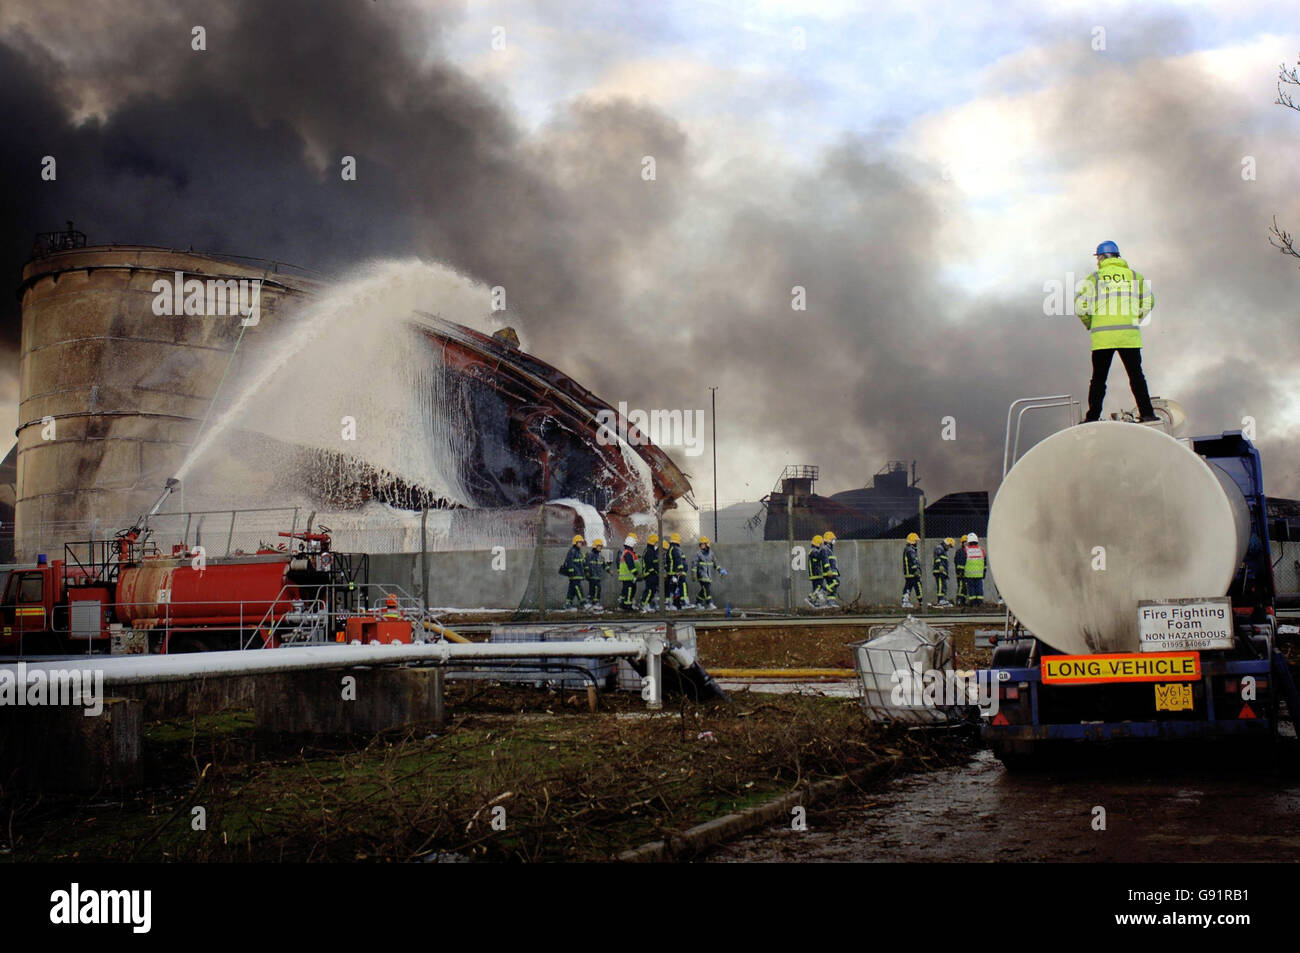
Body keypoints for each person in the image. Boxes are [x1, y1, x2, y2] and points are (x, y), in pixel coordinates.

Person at [1074, 241, 1157, 423]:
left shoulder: (1094, 278)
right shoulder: (1134, 276)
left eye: (1098, 258)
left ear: (1102, 257)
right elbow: (1149, 301)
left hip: (1103, 337)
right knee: (1136, 377)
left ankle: (1092, 417)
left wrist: (1090, 323)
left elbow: (1080, 307)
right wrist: (1135, 317)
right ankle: (1148, 413)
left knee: (1098, 380)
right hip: (1129, 336)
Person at [693, 536, 725, 610]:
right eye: (700, 544)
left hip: (708, 576)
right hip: (701, 575)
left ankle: (698, 602)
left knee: (704, 590)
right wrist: (693, 574)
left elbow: (715, 564)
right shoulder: (698, 554)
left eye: (703, 544)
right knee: (706, 589)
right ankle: (709, 603)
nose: (701, 545)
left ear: (707, 544)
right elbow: (694, 564)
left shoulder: (711, 554)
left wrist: (721, 571)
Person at [559, 534, 586, 609]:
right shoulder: (572, 551)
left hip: (578, 574)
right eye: (579, 542)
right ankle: (583, 602)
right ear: (575, 543)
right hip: (575, 575)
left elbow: (581, 563)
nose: (581, 544)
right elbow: (569, 562)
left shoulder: (579, 552)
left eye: (581, 542)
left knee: (571, 589)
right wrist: (572, 572)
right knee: (578, 588)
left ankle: (568, 603)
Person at [962, 532, 986, 607]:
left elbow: (963, 562)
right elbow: (985, 562)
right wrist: (984, 572)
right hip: (979, 574)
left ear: (968, 542)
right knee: (979, 588)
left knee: (971, 588)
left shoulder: (966, 550)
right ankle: (980, 602)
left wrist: (961, 572)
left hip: (969, 574)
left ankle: (972, 603)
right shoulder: (981, 550)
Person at [666, 532, 689, 609]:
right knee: (682, 586)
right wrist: (680, 570)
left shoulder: (671, 548)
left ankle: (670, 604)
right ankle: (684, 603)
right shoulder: (676, 549)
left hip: (673, 573)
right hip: (677, 573)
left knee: (672, 588)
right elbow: (678, 560)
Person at [584, 538, 608, 609]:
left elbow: (604, 565)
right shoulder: (589, 554)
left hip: (598, 576)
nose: (600, 548)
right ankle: (594, 602)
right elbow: (586, 564)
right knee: (596, 588)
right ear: (595, 546)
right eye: (599, 546)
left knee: (595, 589)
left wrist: (609, 570)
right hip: (592, 576)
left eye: (601, 546)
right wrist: (587, 572)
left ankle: (591, 601)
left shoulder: (601, 556)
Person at [639, 533, 661, 611]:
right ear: (653, 542)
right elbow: (649, 564)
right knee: (649, 590)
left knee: (652, 590)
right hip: (649, 574)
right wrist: (654, 573)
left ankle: (646, 604)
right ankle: (644, 605)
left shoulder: (651, 551)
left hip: (652, 574)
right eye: (656, 542)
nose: (657, 544)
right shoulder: (649, 551)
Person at [902, 532, 923, 609]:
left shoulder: (908, 549)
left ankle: (905, 601)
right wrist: (916, 570)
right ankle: (922, 601)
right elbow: (913, 561)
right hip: (912, 573)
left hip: (909, 573)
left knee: (908, 587)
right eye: (916, 541)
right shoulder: (911, 550)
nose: (916, 543)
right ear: (913, 541)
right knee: (918, 586)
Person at [617, 535, 639, 610]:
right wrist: (635, 573)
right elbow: (630, 565)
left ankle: (623, 605)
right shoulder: (628, 553)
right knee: (629, 591)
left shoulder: (626, 552)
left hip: (627, 577)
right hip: (628, 576)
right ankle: (627, 606)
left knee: (626, 591)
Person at [932, 537, 954, 607]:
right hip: (939, 571)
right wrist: (940, 566)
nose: (949, 548)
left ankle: (942, 599)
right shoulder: (939, 548)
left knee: (943, 586)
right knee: (941, 585)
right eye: (949, 546)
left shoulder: (942, 550)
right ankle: (940, 600)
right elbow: (938, 558)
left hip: (942, 572)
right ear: (946, 544)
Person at [821, 530, 840, 605]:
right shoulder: (825, 549)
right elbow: (825, 561)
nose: (834, 541)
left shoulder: (830, 549)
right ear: (829, 540)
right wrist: (828, 570)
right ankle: (823, 590)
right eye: (833, 539)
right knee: (836, 582)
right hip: (829, 572)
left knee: (834, 588)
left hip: (833, 571)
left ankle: (830, 602)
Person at [953, 535, 968, 607]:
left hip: (967, 573)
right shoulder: (959, 551)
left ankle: (963, 601)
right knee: (961, 586)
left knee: (965, 588)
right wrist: (959, 571)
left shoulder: (968, 551)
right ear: (962, 543)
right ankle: (958, 600)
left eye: (967, 542)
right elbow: (956, 562)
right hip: (960, 573)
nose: (966, 544)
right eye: (964, 542)